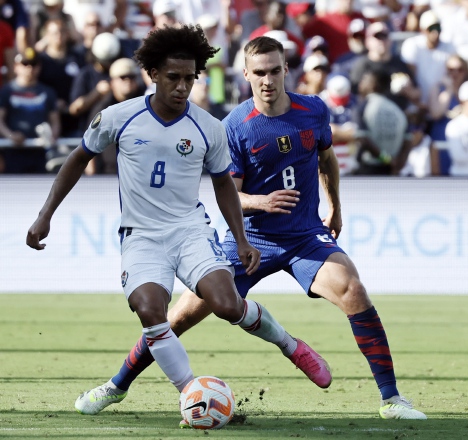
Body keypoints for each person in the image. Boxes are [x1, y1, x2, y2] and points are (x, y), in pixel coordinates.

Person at [73, 35, 427, 421]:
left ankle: (392, 400)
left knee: (353, 290)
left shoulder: (313, 111)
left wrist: (335, 206)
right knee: (175, 320)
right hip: (252, 239)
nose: (268, 80)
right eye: (259, 73)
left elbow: (327, 159)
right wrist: (263, 202)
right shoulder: (234, 127)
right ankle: (116, 386)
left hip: (305, 236)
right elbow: (229, 194)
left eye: (275, 71)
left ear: (286, 70)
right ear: (245, 75)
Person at [26, 25, 330, 423]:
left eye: (190, 78)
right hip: (142, 236)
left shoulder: (209, 127)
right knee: (152, 309)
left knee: (226, 305)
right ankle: (192, 394)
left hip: (191, 231)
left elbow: (223, 183)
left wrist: (240, 238)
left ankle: (290, 345)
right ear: (152, 74)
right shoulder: (119, 116)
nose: (183, 86)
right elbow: (77, 160)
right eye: (173, 77)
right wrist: (45, 214)